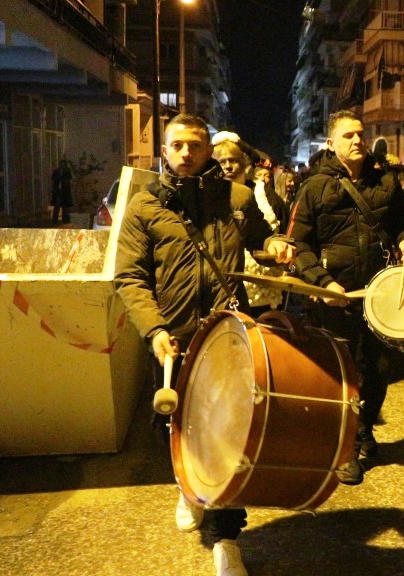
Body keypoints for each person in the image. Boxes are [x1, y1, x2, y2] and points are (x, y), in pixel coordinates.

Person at [114, 113, 295, 576]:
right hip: (172, 338)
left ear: (208, 150)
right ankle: (188, 484)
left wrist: (276, 246)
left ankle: (226, 539)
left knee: (230, 433)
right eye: (177, 145)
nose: (186, 153)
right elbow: (130, 277)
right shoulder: (144, 207)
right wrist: (154, 330)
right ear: (164, 151)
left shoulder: (236, 198)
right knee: (175, 427)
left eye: (195, 145)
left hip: (228, 333)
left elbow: (260, 241)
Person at [286, 109, 404, 485]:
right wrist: (323, 282)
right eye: (348, 135)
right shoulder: (314, 186)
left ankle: (363, 430)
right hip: (334, 296)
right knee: (340, 372)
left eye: (360, 134)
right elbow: (297, 244)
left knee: (379, 368)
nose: (357, 140)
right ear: (331, 144)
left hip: (379, 292)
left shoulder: (387, 181)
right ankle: (346, 446)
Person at [211, 131, 285, 315]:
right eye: (222, 162)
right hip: (223, 297)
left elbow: (281, 231)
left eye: (233, 160)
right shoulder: (208, 197)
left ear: (244, 164)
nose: (228, 167)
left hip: (264, 295)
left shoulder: (265, 194)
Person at [50, 159, 73, 224]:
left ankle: (65, 219)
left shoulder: (67, 171)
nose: (61, 166)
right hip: (58, 191)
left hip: (65, 191)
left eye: (62, 164)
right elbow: (53, 178)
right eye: (60, 164)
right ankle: (55, 220)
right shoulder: (56, 171)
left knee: (65, 206)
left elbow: (69, 178)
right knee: (57, 206)